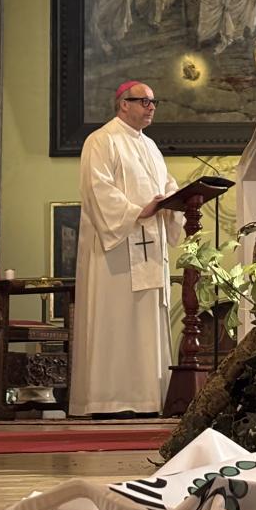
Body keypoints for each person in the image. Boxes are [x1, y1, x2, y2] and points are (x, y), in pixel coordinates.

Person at [70, 80, 183, 416]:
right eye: (144, 102)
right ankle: (110, 399)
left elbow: (166, 187)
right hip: (115, 252)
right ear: (123, 104)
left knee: (146, 323)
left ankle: (147, 399)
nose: (151, 107)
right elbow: (97, 190)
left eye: (153, 102)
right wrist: (137, 211)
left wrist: (178, 203)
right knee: (116, 321)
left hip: (148, 247)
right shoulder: (101, 141)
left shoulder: (150, 147)